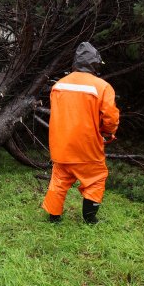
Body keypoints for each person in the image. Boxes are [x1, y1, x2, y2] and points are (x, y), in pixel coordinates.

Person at [42, 42, 120, 224]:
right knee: (96, 178)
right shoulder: (102, 87)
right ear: (95, 64)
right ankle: (90, 218)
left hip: (60, 145)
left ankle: (54, 218)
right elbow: (110, 118)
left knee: (59, 179)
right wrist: (108, 133)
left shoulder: (59, 85)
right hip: (87, 147)